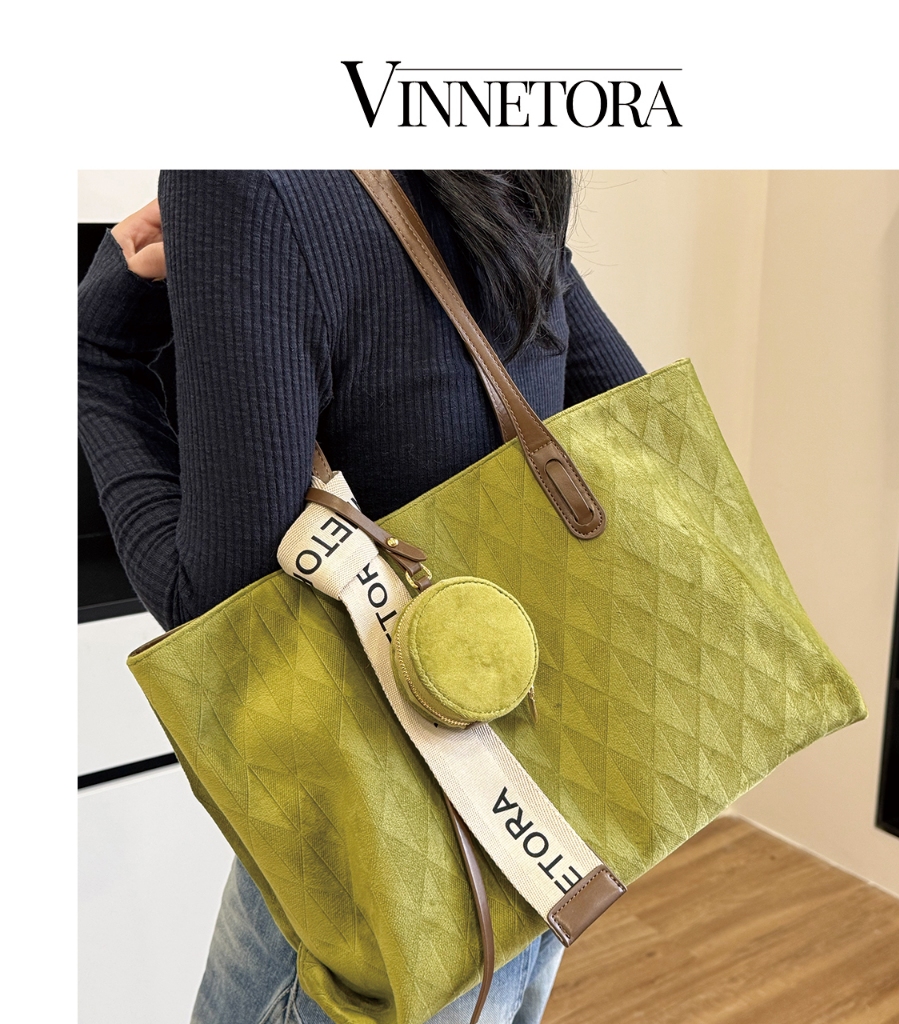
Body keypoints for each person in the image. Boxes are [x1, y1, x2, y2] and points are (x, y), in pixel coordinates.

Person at [78, 170, 645, 1024]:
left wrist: (95, 354)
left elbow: (220, 612)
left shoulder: (240, 174)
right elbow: (615, 410)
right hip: (546, 782)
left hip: (391, 841)